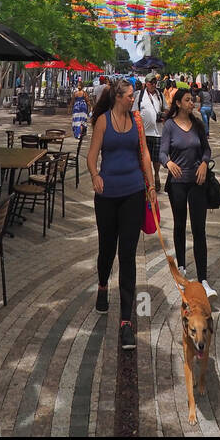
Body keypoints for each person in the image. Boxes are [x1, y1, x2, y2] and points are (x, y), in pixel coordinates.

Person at [86, 80, 154, 350]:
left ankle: (126, 321)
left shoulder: (137, 121)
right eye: (129, 96)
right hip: (107, 194)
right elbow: (92, 156)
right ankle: (102, 284)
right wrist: (94, 176)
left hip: (134, 192)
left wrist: (150, 185)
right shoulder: (103, 121)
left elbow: (145, 154)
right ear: (118, 97)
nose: (132, 100)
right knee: (107, 249)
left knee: (128, 255)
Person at [159, 89, 216, 297]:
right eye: (188, 100)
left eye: (193, 100)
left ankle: (203, 279)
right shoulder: (169, 126)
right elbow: (162, 152)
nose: (192, 103)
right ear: (178, 103)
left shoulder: (198, 124)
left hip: (198, 181)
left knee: (199, 229)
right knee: (180, 224)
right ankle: (181, 267)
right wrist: (168, 162)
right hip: (178, 183)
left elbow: (206, 150)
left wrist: (203, 163)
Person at [135, 74, 164, 181]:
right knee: (143, 158)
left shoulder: (160, 95)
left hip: (158, 132)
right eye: (150, 82)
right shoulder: (140, 95)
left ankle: (156, 175)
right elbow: (135, 112)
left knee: (157, 158)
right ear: (146, 83)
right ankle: (147, 177)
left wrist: (164, 115)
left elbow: (166, 109)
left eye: (154, 83)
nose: (153, 85)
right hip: (144, 133)